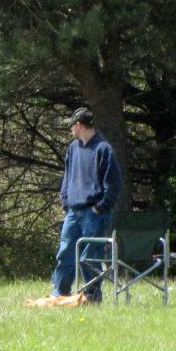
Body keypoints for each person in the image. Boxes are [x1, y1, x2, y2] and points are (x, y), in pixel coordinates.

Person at [40, 107, 123, 305]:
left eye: (72, 125)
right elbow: (67, 178)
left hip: (94, 213)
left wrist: (100, 208)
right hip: (73, 212)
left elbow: (114, 185)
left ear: (78, 125)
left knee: (90, 256)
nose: (70, 129)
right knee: (65, 252)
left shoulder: (103, 149)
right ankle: (60, 292)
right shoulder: (73, 149)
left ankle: (91, 296)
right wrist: (65, 201)